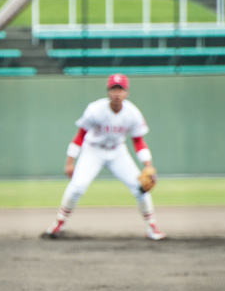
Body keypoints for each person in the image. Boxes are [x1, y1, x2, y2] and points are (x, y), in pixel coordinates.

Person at [43, 73, 165, 240]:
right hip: (93, 151)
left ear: (126, 92)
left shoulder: (132, 113)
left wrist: (148, 165)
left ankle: (151, 227)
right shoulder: (95, 109)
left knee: (141, 189)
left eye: (120, 89)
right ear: (108, 91)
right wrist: (69, 161)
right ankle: (59, 223)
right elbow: (80, 136)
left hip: (117, 152)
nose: (117, 93)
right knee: (76, 187)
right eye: (113, 89)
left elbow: (138, 141)